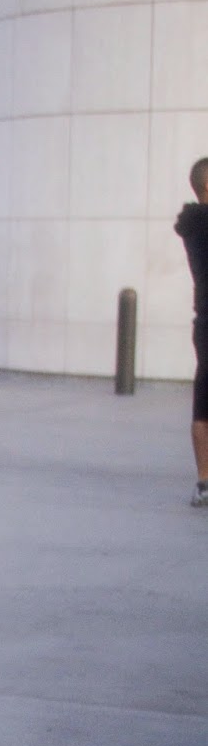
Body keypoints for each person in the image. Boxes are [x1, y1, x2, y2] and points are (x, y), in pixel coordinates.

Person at [176, 157, 208, 508]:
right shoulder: (202, 224)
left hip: (205, 322)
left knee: (203, 401)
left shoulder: (193, 223)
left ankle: (204, 482)